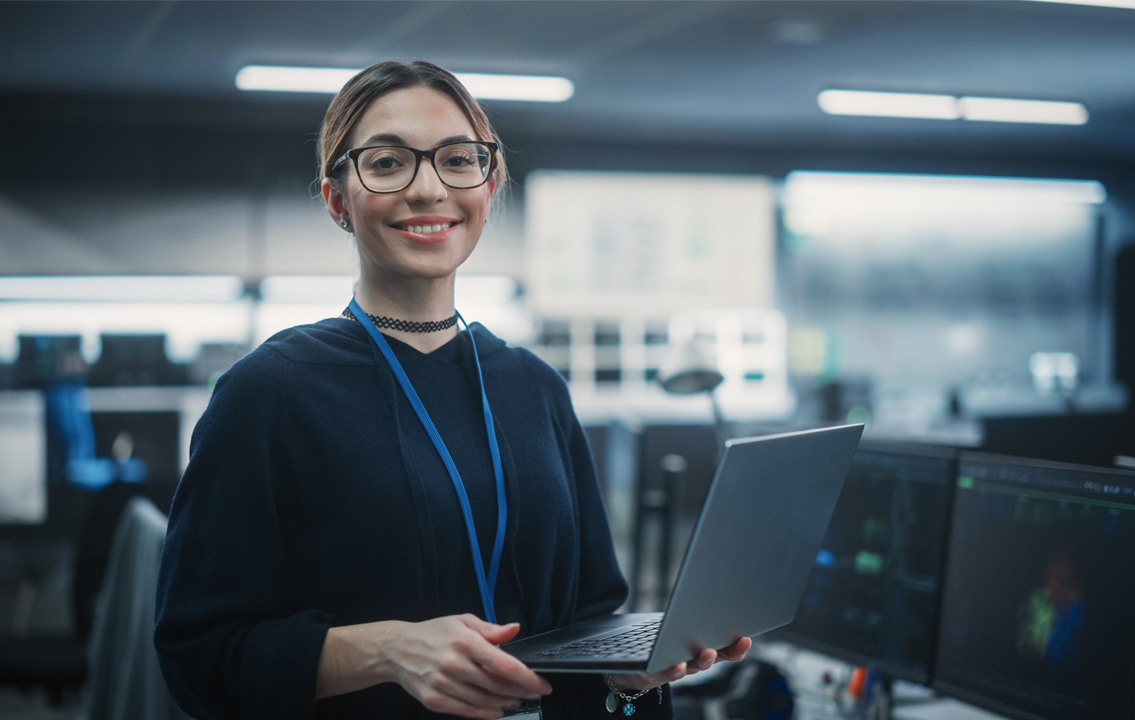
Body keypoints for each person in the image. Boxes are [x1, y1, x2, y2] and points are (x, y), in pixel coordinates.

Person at [153, 60, 750, 720]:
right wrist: (385, 650)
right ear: (337, 200)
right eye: (387, 163)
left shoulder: (535, 388)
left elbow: (588, 614)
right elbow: (198, 655)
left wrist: (630, 667)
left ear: (487, 188)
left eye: (457, 160)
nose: (427, 188)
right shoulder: (269, 393)